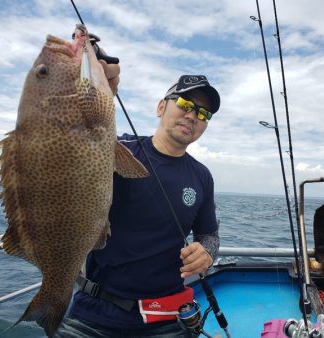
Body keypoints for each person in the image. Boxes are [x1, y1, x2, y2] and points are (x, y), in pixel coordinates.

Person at [54, 65, 221, 337]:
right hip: (94, 312)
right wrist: (92, 88)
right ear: (160, 107)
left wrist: (207, 253)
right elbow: (75, 140)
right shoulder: (118, 150)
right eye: (184, 103)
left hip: (167, 318)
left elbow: (209, 235)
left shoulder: (202, 177)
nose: (192, 115)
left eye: (203, 113)